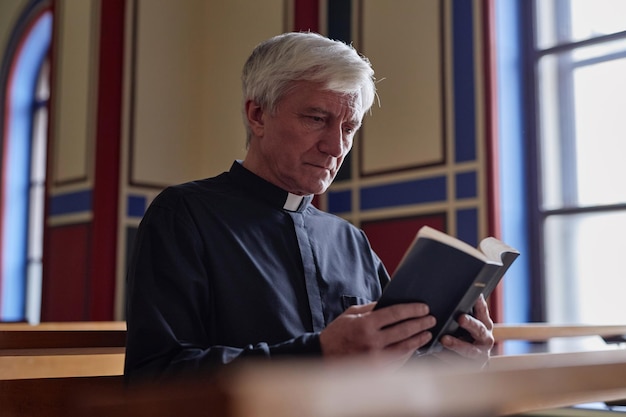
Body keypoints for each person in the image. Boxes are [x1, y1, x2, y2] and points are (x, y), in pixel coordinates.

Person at [124, 32, 494, 382]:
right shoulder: (184, 216)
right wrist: (319, 354)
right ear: (258, 115)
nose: (335, 147)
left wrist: (452, 360)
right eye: (317, 119)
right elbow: (156, 376)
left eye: (349, 128)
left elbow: (390, 373)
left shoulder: (352, 242)